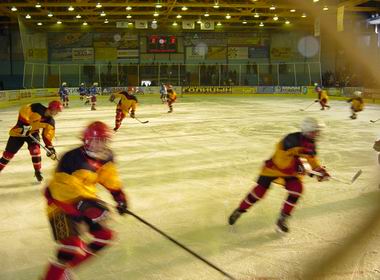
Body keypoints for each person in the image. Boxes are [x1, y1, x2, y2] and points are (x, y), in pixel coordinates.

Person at [42, 121, 128, 280]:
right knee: (71, 247)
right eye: (97, 140)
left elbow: (110, 178)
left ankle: (65, 271)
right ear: (87, 140)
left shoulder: (107, 156)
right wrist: (84, 205)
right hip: (59, 205)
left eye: (104, 140)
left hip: (87, 201)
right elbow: (60, 189)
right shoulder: (71, 158)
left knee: (105, 235)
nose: (100, 145)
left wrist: (119, 196)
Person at [228, 117, 330, 233]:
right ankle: (240, 210)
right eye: (315, 131)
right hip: (274, 168)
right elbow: (280, 161)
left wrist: (319, 170)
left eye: (318, 131)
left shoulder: (311, 143)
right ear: (307, 130)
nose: (317, 134)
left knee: (297, 189)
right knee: (259, 192)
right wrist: (299, 165)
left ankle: (282, 219)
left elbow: (311, 160)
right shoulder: (291, 140)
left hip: (291, 170)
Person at [0, 101, 63, 182]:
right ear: (52, 108)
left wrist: (51, 149)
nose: (57, 113)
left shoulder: (50, 122)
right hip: (18, 133)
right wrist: (24, 125)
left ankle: (38, 172)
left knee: (35, 151)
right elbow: (24, 110)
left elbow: (47, 136)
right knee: (7, 155)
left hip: (32, 134)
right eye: (57, 111)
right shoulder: (37, 107)